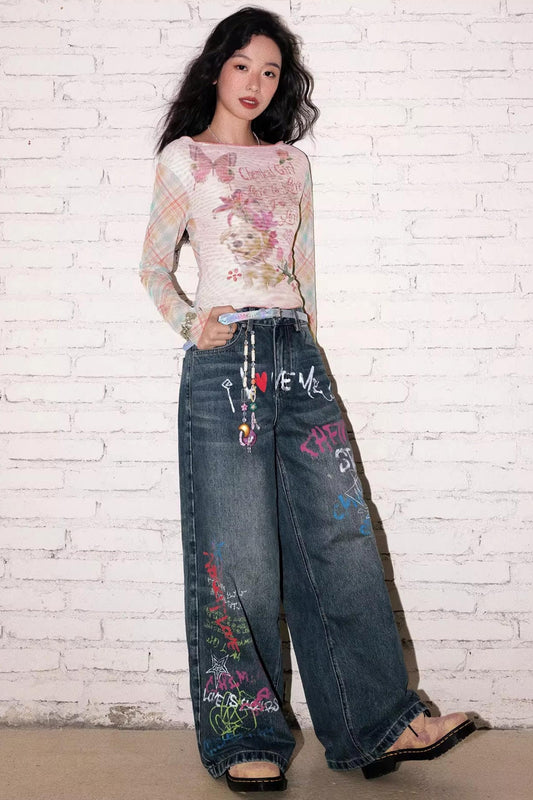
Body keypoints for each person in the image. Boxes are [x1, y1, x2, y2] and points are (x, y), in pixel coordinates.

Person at [139, 6, 475, 793]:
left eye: (270, 71)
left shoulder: (290, 164)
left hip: (296, 356)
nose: (255, 83)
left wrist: (310, 346)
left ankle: (377, 723)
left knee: (342, 539)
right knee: (239, 560)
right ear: (215, 68)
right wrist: (192, 322)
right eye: (242, 65)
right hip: (225, 367)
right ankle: (243, 735)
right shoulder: (184, 160)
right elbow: (152, 267)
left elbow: (304, 268)